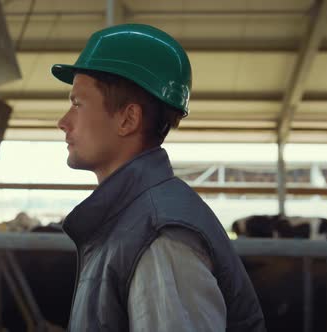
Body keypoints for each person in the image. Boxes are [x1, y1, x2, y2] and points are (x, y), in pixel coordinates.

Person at [52, 24, 266, 331]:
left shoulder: (160, 236)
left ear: (128, 119)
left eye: (77, 104)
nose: (63, 122)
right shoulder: (134, 219)